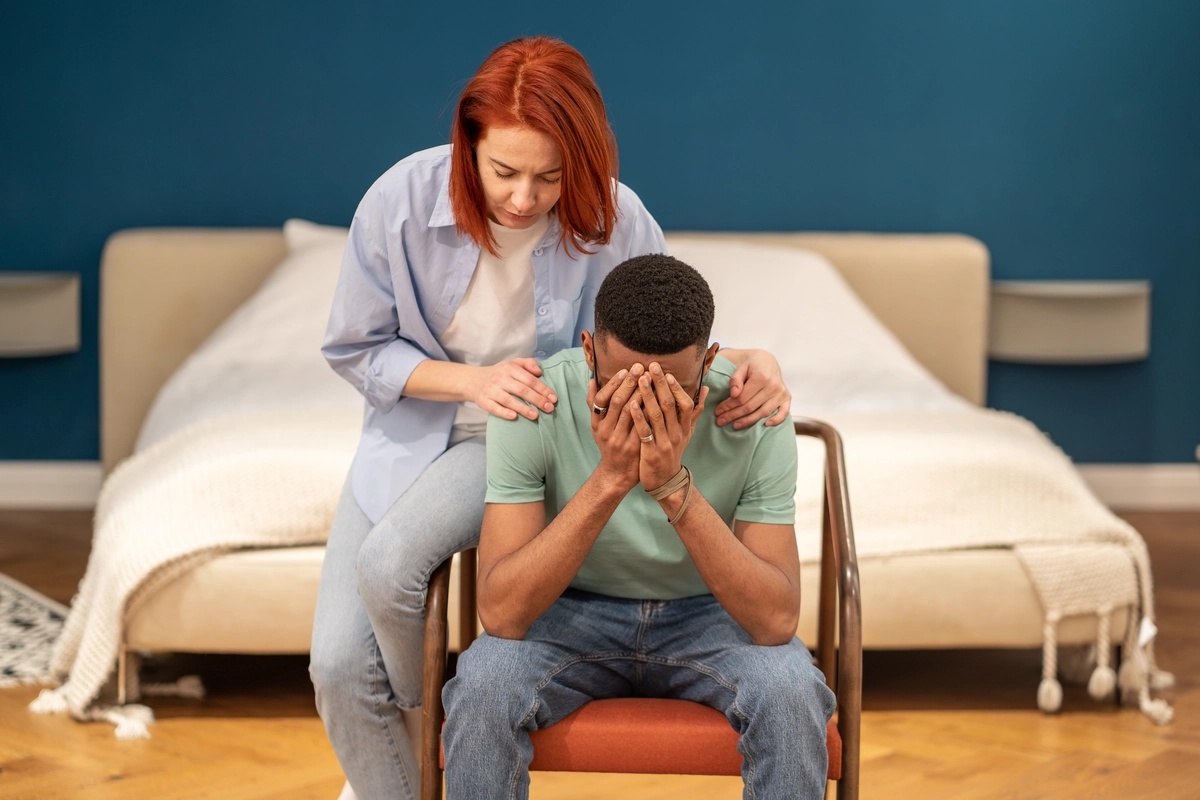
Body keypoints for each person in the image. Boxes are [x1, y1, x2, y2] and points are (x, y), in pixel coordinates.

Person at [311, 37, 794, 800]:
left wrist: (750, 357)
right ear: (467, 142)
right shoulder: (399, 201)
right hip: (415, 435)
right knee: (336, 667)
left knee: (388, 566)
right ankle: (409, 747)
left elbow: (663, 336)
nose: (523, 199)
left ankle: (425, 731)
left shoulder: (618, 216)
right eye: (503, 171)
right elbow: (355, 348)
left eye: (550, 176)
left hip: (533, 443)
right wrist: (472, 383)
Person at [442, 254, 836, 800]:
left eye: (670, 388)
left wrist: (674, 488)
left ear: (710, 362)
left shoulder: (752, 414)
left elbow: (774, 620)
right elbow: (503, 614)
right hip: (569, 610)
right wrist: (610, 479)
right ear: (587, 353)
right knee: (484, 683)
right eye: (624, 384)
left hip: (710, 615)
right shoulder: (532, 404)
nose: (646, 406)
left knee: (790, 689)